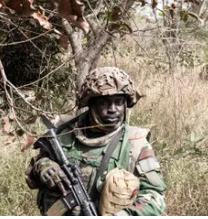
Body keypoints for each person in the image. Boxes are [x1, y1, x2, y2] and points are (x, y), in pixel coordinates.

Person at [25, 67, 166, 216]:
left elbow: (155, 196)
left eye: (118, 102)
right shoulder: (65, 133)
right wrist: (44, 166)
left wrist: (125, 215)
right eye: (105, 103)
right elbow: (32, 176)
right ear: (92, 105)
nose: (113, 109)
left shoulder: (136, 143)